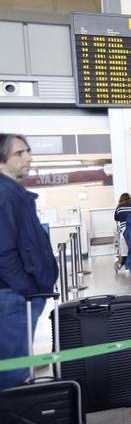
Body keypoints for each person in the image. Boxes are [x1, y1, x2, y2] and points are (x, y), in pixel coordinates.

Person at [0, 134, 58, 390]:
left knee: (14, 368)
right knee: (12, 374)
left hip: (17, 295)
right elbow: (4, 251)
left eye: (28, 152)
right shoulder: (5, 194)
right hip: (13, 296)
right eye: (19, 153)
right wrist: (27, 289)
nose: (28, 158)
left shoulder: (14, 191)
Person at [114, 193, 131, 266]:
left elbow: (116, 218)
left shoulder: (119, 208)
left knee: (123, 240)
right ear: (130, 198)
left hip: (124, 229)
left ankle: (124, 258)